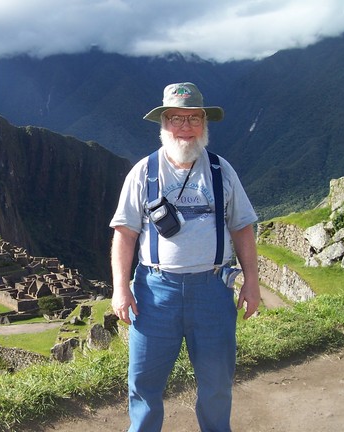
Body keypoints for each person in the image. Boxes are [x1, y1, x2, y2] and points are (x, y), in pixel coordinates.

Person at [110, 82, 260, 432]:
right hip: (155, 292)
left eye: (194, 118)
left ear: (204, 124)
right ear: (163, 124)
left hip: (212, 290)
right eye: (176, 118)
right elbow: (125, 234)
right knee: (144, 384)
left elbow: (242, 228)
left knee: (217, 384)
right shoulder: (143, 172)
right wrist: (121, 287)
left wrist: (251, 282)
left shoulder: (222, 172)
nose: (185, 126)